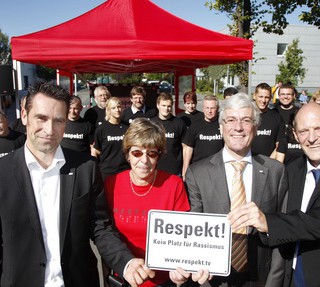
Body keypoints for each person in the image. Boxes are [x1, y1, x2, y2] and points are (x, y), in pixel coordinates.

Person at [0, 82, 155, 287]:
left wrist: (125, 262)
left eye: (58, 121)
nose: (49, 129)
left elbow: (100, 227)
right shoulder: (3, 172)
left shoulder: (86, 168)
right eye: (41, 118)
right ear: (24, 115)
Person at [185, 93, 287, 286]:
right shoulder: (197, 173)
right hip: (214, 279)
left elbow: (282, 232)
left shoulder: (276, 171)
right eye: (230, 120)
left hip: (261, 277)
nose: (238, 127)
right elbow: (194, 234)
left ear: (256, 127)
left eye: (246, 120)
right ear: (221, 127)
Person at [228, 102, 320, 287]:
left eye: (318, 129)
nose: (312, 138)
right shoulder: (291, 170)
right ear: (295, 135)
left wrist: (267, 221)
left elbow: (315, 221)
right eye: (303, 131)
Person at [104, 118, 190, 287]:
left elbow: (184, 239)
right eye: (137, 153)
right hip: (124, 278)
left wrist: (182, 270)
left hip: (164, 281)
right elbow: (104, 233)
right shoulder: (111, 184)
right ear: (128, 154)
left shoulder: (174, 185)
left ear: (159, 156)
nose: (144, 160)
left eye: (151, 153)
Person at [182, 95, 223, 180]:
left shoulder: (223, 125)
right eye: (207, 108)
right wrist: (185, 169)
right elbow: (188, 148)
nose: (209, 111)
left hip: (218, 170)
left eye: (212, 108)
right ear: (203, 108)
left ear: (218, 108)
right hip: (198, 170)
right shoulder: (195, 126)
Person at [92, 97, 130, 179]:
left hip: (124, 170)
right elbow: (96, 150)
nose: (117, 110)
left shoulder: (128, 127)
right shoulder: (101, 129)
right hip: (106, 171)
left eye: (119, 107)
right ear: (108, 110)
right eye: (113, 108)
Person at [152, 93, 186, 175]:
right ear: (157, 105)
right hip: (155, 169)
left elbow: (185, 147)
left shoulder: (179, 123)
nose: (166, 108)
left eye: (169, 106)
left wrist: (184, 168)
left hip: (175, 170)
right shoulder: (151, 123)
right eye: (163, 105)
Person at [251, 82, 287, 163]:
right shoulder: (246, 116)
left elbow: (279, 145)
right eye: (260, 96)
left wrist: (269, 163)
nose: (263, 100)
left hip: (269, 163)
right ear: (254, 96)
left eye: (266, 97)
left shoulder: (277, 118)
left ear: (271, 97)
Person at [273, 84, 303, 163]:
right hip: (275, 154)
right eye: (282, 94)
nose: (285, 97)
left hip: (295, 155)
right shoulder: (273, 113)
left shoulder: (300, 112)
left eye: (288, 94)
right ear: (279, 96)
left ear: (294, 96)